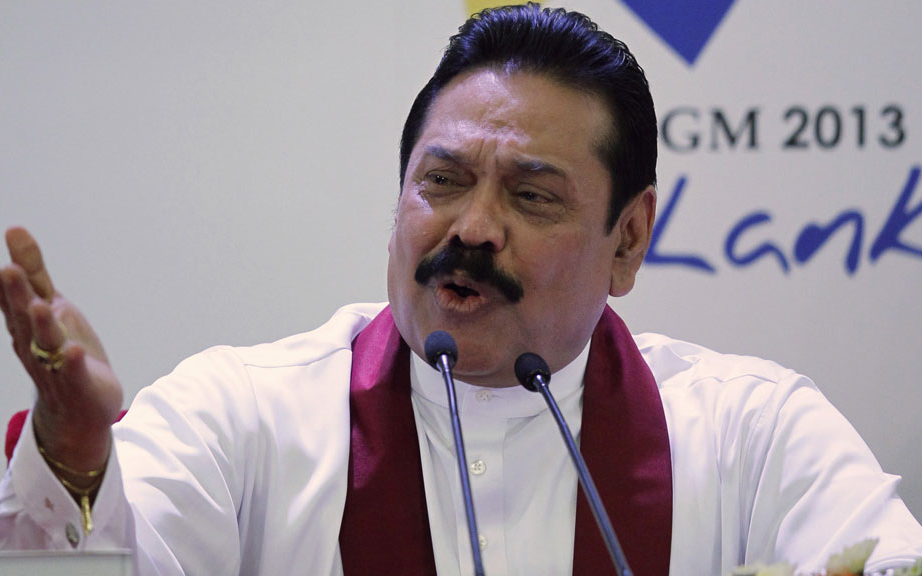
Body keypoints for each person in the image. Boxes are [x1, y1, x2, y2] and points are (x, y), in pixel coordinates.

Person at [1, 4, 920, 575]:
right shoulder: (242, 418)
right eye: (441, 181)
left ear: (629, 240)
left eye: (531, 195)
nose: (473, 228)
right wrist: (73, 457)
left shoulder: (753, 435)